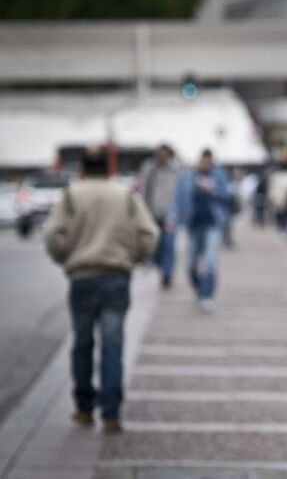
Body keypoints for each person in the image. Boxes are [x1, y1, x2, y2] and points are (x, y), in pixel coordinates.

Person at [43, 147, 159, 434]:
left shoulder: (71, 196)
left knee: (82, 343)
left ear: (82, 168)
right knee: (113, 344)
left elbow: (51, 234)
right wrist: (134, 257)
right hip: (116, 277)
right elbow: (150, 234)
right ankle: (110, 412)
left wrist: (65, 258)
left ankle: (84, 408)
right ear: (109, 167)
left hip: (82, 277)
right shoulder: (125, 197)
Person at [168, 149, 233, 313]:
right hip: (193, 225)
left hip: (212, 224)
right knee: (190, 265)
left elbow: (229, 195)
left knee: (210, 262)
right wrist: (173, 216)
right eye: (203, 161)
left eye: (208, 161)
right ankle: (199, 289)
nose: (205, 164)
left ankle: (207, 295)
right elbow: (177, 199)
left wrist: (212, 189)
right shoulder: (187, 177)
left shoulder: (219, 176)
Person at [137, 144, 181, 289]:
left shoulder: (175, 169)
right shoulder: (148, 167)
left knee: (168, 244)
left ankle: (167, 274)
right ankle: (159, 265)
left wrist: (176, 211)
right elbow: (142, 187)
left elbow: (178, 191)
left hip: (169, 213)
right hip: (151, 212)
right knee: (154, 245)